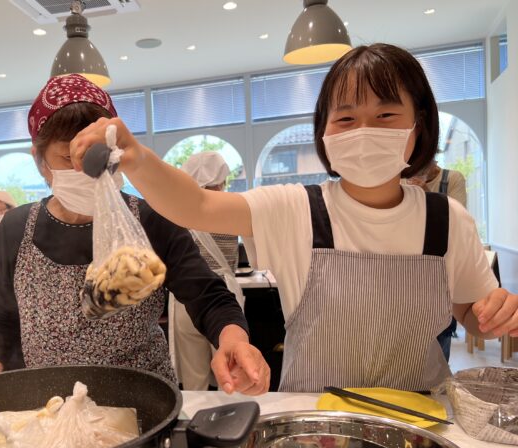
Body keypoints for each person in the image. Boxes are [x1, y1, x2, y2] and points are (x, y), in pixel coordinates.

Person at [70, 44, 518, 393]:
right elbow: (198, 207)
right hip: (314, 420)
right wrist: (137, 157)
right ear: (323, 130)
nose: (364, 131)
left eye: (385, 114)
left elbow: (471, 314)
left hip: (419, 420)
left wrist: (497, 315)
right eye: (346, 118)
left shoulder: (448, 220)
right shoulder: (298, 208)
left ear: (417, 126)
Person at [0, 74, 269, 396]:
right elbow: (1, 314)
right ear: (39, 160)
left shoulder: (151, 218)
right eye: (67, 158)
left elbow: (208, 296)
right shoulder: (16, 228)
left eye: (94, 156)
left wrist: (234, 341)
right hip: (52, 404)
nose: (85, 170)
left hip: (143, 399)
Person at [169, 151, 243, 390]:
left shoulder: (177, 212)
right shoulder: (231, 208)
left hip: (186, 299)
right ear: (220, 180)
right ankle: (232, 422)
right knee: (232, 374)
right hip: (224, 298)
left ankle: (194, 424)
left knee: (194, 379)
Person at [408, 160, 469, 361]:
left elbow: (458, 224)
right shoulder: (402, 180)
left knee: (439, 337)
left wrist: (428, 195)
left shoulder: (451, 179)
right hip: (408, 270)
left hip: (440, 271)